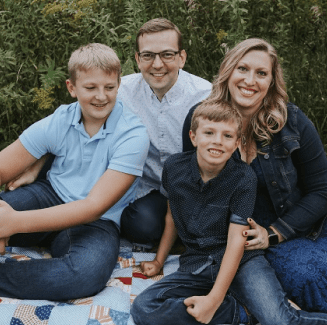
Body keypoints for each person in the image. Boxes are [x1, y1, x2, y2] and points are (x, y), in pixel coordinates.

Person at [6, 18, 212, 250]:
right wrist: (37, 164)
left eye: (167, 54)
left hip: (188, 188)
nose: (157, 64)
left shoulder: (204, 97)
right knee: (140, 225)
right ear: (137, 59)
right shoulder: (118, 90)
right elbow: (70, 120)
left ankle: (181, 240)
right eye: (147, 55)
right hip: (142, 188)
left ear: (181, 57)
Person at [132, 102, 327, 325]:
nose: (217, 141)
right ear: (193, 137)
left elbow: (236, 240)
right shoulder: (175, 167)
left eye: (227, 136)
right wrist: (158, 261)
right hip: (199, 262)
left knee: (280, 320)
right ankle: (242, 311)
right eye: (209, 133)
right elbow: (171, 216)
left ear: (236, 144)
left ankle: (237, 306)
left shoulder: (243, 178)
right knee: (144, 308)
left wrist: (213, 300)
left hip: (242, 261)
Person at [182, 38, 327, 313]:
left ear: (271, 82)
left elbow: (322, 190)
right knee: (302, 279)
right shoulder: (202, 119)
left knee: (312, 273)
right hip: (235, 239)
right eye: (243, 69)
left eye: (261, 73)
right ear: (228, 72)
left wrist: (273, 233)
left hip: (297, 228)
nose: (250, 80)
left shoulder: (292, 121)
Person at [0, 43, 149, 300]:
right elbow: (3, 167)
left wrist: (11, 223)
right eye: (90, 87)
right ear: (72, 88)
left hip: (97, 221)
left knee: (85, 273)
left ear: (118, 85)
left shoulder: (134, 135)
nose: (101, 96)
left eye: (109, 87)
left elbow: (93, 206)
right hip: (50, 196)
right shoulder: (60, 120)